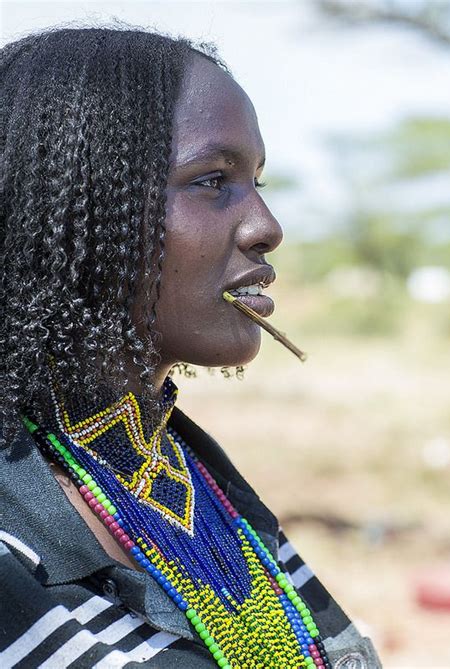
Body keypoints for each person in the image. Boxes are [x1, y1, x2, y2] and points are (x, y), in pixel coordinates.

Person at [0, 26, 382, 668]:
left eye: (258, 181)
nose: (267, 228)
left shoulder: (187, 474)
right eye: (212, 181)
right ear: (73, 210)